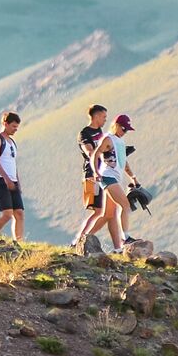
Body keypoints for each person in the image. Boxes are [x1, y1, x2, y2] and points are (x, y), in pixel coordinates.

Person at [87, 113, 141, 253]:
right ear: (116, 125)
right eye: (123, 128)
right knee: (125, 205)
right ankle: (125, 238)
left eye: (127, 130)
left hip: (115, 178)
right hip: (107, 177)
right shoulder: (108, 139)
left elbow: (124, 162)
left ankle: (85, 239)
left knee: (108, 214)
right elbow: (96, 154)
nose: (125, 132)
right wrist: (95, 172)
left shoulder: (120, 142)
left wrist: (132, 177)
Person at [72, 104, 107, 248]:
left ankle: (83, 239)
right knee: (97, 210)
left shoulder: (100, 131)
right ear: (96, 116)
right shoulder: (84, 133)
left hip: (103, 172)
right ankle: (80, 239)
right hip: (92, 174)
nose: (105, 120)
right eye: (104, 117)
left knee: (103, 211)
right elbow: (90, 152)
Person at [0, 111, 24, 240]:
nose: (15, 129)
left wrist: (18, 182)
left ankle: (18, 241)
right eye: (13, 126)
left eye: (17, 127)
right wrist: (6, 179)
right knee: (7, 214)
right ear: (5, 124)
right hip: (0, 181)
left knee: (19, 213)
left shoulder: (12, 142)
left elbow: (13, 163)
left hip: (13, 181)